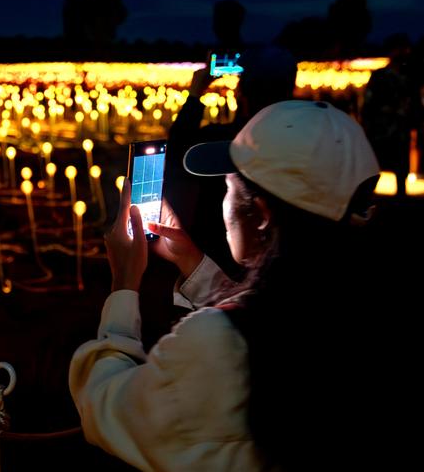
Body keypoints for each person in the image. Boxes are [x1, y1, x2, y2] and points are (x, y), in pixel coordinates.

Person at [69, 100, 381, 471]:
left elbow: (106, 410)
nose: (224, 200)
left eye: (228, 187)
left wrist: (123, 283)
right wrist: (193, 264)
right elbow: (274, 311)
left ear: (261, 215)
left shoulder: (216, 346)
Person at [166, 45, 297, 276]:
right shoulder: (304, 140)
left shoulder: (223, 140)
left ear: (241, 92)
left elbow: (177, 149)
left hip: (219, 260)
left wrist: (196, 93)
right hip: (284, 258)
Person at [362, 33, 421, 198]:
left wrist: (414, 121)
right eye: (400, 49)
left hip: (401, 130)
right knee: (375, 166)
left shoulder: (410, 77)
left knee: (401, 167)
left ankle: (400, 199)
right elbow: (369, 104)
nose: (404, 52)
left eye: (405, 49)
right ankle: (368, 198)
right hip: (381, 129)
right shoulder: (380, 76)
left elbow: (416, 105)